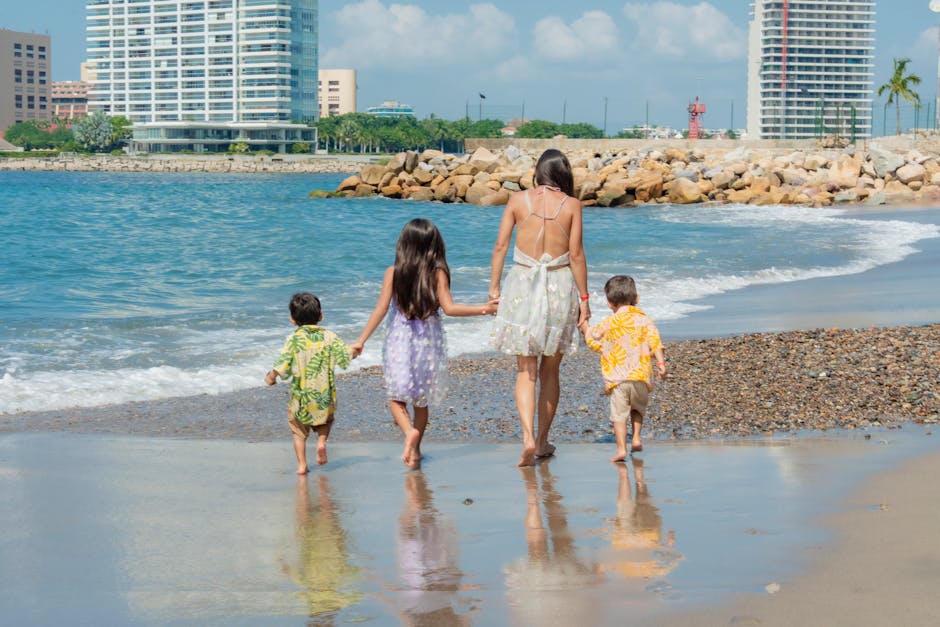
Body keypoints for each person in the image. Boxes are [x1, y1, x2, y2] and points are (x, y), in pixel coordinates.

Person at [352, 218, 497, 468]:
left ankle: (409, 434)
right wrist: (484, 309)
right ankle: (416, 451)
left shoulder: (393, 272)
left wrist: (361, 340)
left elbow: (380, 309)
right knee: (421, 399)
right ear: (433, 246)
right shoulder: (437, 273)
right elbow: (450, 308)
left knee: (395, 396)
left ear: (403, 245)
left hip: (400, 338)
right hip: (428, 340)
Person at [489, 149, 590, 466]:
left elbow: (501, 245)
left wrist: (493, 288)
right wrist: (585, 300)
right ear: (563, 175)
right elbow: (575, 255)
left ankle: (528, 438)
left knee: (525, 370)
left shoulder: (517, 201)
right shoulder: (572, 205)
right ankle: (543, 440)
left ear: (537, 173)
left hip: (522, 284)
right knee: (550, 370)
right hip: (558, 286)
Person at [265, 292, 355, 474]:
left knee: (298, 431)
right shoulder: (330, 337)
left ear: (292, 319)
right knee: (325, 422)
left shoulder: (294, 339)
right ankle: (321, 442)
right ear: (320, 316)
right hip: (324, 395)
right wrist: (355, 349)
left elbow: (284, 360)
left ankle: (301, 465)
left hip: (301, 397)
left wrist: (271, 376)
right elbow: (344, 357)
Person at [578, 275, 666, 461]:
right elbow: (656, 342)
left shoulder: (609, 323)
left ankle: (621, 449)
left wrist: (584, 324)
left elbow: (594, 340)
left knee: (619, 415)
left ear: (609, 303)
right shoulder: (645, 320)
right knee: (637, 409)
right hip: (641, 376)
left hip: (618, 380)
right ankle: (635, 438)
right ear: (637, 299)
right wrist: (661, 364)